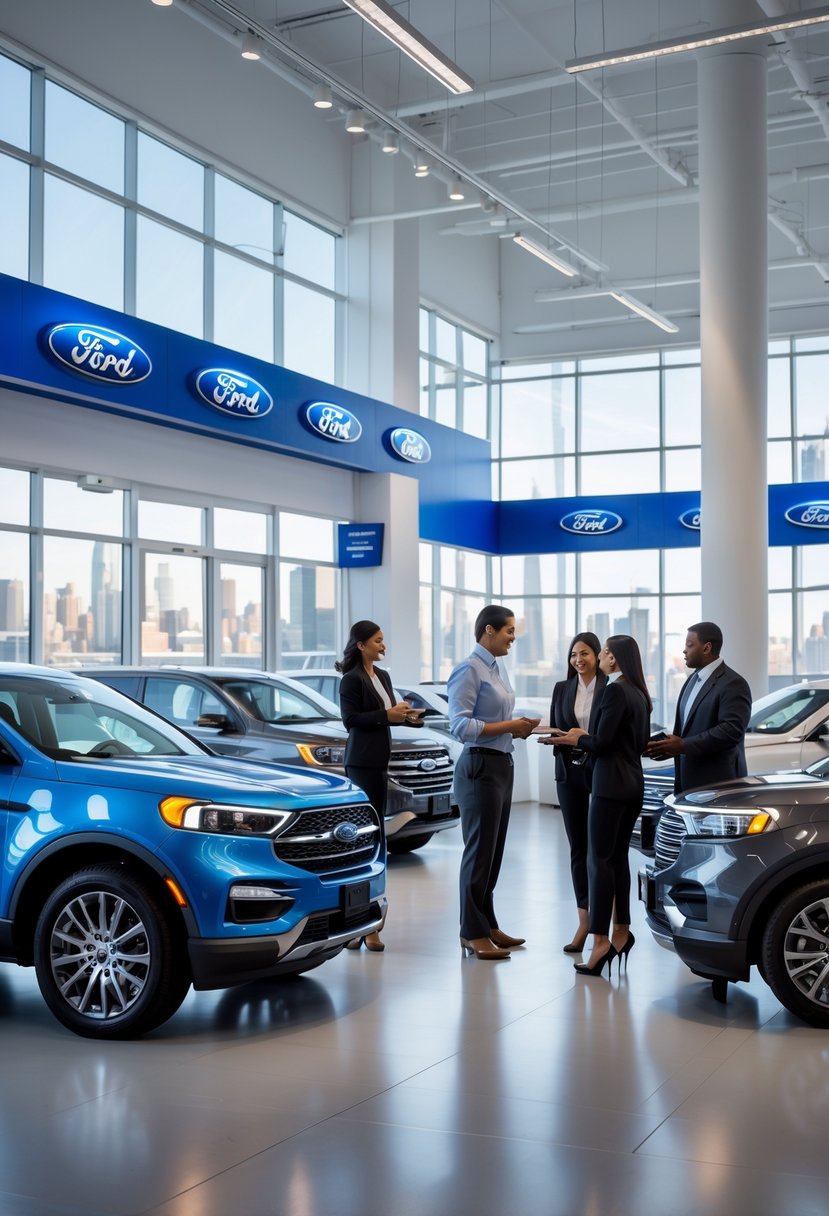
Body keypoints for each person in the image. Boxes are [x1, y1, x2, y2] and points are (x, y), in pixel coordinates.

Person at [552, 635, 651, 977]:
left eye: (606, 652)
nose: (603, 657)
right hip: (633, 785)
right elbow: (634, 744)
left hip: (608, 786)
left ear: (615, 657)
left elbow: (602, 742)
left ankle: (599, 942)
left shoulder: (614, 690)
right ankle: (621, 931)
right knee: (618, 860)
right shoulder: (640, 693)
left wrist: (578, 737)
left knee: (598, 862)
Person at [448, 605, 540, 961]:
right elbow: (460, 727)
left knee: (494, 852)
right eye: (510, 631)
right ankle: (471, 932)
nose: (514, 638)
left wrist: (517, 728)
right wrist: (510, 727)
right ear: (489, 630)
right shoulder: (468, 669)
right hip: (479, 768)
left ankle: (487, 922)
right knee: (479, 852)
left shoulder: (495, 668)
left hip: (502, 764)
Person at [337, 620, 414, 951]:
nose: (384, 645)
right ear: (361, 645)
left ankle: (370, 924)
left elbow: (387, 713)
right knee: (364, 845)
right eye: (378, 640)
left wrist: (407, 716)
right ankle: (359, 926)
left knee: (377, 843)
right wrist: (388, 716)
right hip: (361, 765)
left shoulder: (382, 676)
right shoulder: (350, 680)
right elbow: (351, 721)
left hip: (379, 764)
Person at [538, 632, 607, 954]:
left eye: (585, 653)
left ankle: (603, 925)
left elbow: (609, 732)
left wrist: (584, 739)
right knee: (578, 848)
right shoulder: (562, 689)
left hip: (601, 769)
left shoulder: (610, 688)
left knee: (601, 849)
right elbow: (558, 727)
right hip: (569, 772)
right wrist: (555, 737)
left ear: (597, 656)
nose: (578, 660)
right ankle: (583, 920)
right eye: (573, 655)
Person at [644, 621, 751, 793]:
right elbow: (686, 731)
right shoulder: (691, 680)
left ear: (707, 648)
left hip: (719, 785)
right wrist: (668, 746)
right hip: (688, 783)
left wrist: (683, 745)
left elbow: (731, 731)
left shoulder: (733, 683)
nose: (684, 650)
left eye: (689, 645)